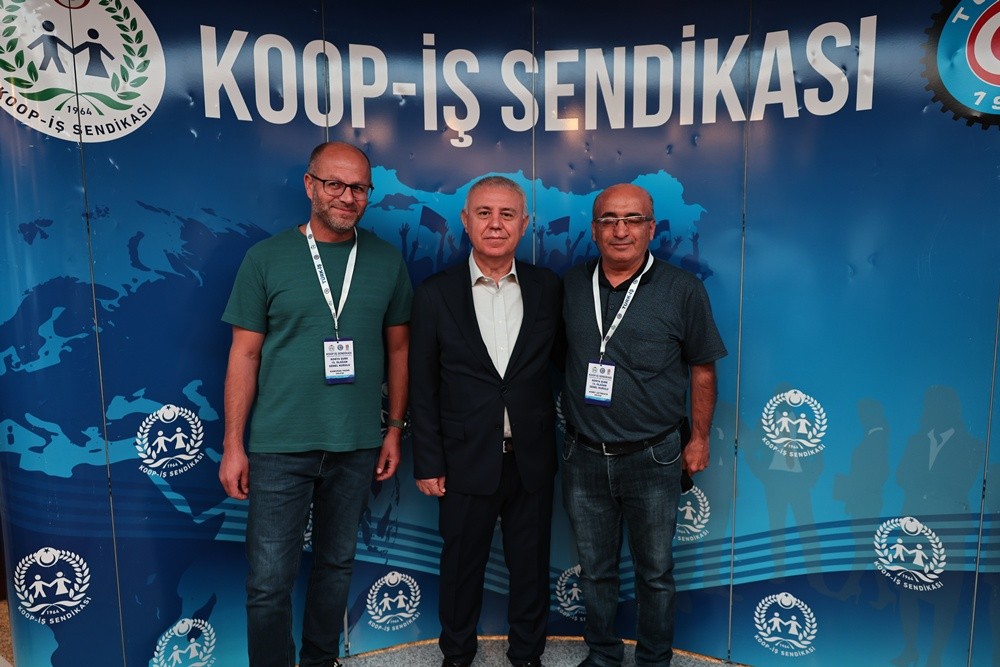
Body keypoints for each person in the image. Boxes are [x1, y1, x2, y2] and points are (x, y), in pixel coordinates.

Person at [219, 141, 412, 667]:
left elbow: (399, 350)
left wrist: (394, 429)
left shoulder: (386, 260)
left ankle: (321, 661)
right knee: (268, 582)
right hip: (279, 447)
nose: (347, 197)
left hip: (356, 445)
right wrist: (233, 445)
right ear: (310, 185)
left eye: (359, 188)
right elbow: (244, 354)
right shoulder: (265, 259)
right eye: (335, 184)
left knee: (336, 568)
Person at [561, 183, 727, 667]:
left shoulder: (683, 289)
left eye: (632, 219)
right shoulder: (571, 286)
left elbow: (702, 368)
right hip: (583, 455)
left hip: (654, 456)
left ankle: (654, 660)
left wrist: (699, 439)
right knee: (596, 570)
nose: (621, 230)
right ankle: (603, 656)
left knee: (655, 573)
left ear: (650, 228)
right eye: (609, 220)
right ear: (594, 230)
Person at [409, 176, 562, 667]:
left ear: (524, 223)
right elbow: (422, 385)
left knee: (531, 568)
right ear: (466, 221)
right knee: (460, 568)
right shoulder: (434, 294)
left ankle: (527, 656)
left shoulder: (548, 288)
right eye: (484, 213)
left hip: (530, 460)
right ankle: (456, 656)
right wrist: (428, 461)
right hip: (462, 461)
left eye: (507, 214)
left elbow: (566, 363)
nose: (496, 224)